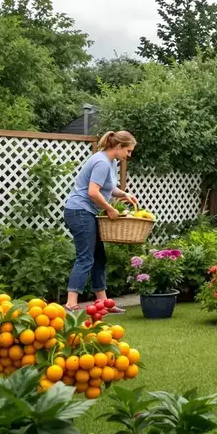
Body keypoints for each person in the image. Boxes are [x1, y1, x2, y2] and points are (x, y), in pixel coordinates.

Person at [63, 130, 139, 312]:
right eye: (128, 151)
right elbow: (92, 192)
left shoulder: (109, 162)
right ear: (119, 146)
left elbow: (108, 187)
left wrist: (125, 194)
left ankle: (104, 303)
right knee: (85, 257)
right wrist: (110, 208)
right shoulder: (101, 162)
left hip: (86, 212)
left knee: (99, 257)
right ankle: (70, 303)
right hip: (79, 211)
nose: (128, 156)